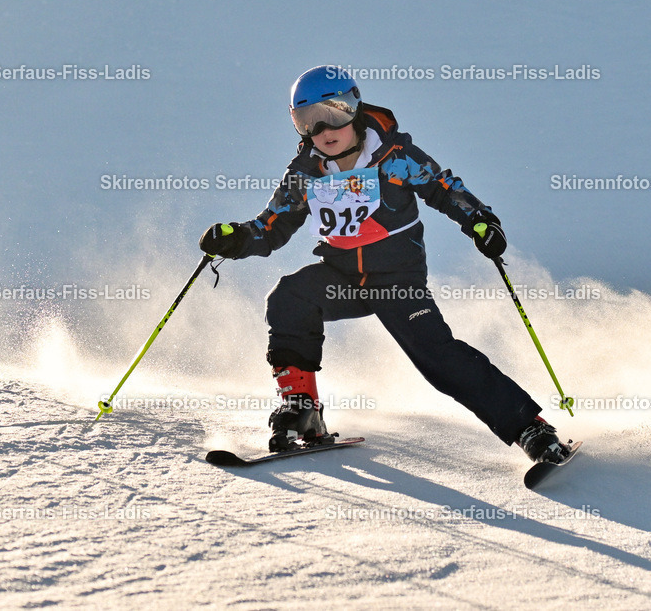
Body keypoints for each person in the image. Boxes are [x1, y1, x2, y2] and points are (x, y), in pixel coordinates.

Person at [199, 65, 570, 463]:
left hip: (397, 280)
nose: (323, 129)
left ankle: (530, 428)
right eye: (306, 121)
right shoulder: (306, 174)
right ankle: (302, 407)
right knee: (290, 297)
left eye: (333, 113)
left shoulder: (395, 157)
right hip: (341, 276)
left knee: (437, 357)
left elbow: (444, 188)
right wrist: (235, 238)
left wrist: (480, 220)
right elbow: (270, 228)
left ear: (353, 108)